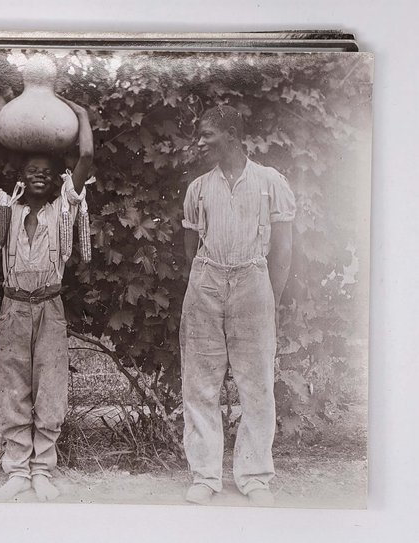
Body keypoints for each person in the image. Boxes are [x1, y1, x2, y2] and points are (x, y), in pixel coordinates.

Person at [0, 97, 94, 502]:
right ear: (20, 176)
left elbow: (86, 157)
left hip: (50, 307)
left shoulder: (63, 211)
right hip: (14, 307)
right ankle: (17, 471)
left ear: (56, 181)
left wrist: (81, 115)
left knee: (50, 389)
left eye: (47, 173)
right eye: (33, 171)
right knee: (12, 389)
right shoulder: (6, 210)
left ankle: (42, 471)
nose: (40, 176)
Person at [180, 104, 296, 507]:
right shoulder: (198, 188)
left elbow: (283, 250)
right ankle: (205, 476)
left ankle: (254, 476)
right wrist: (207, 281)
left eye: (207, 134)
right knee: (199, 383)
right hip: (206, 282)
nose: (200, 142)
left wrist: (268, 298)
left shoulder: (270, 182)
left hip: (254, 281)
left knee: (257, 384)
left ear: (231, 135)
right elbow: (190, 248)